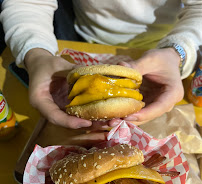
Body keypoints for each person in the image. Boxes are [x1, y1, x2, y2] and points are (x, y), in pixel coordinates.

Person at [0, 1, 202, 129]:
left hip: (164, 45)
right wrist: (35, 55)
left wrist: (177, 52)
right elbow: (28, 3)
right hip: (80, 38)